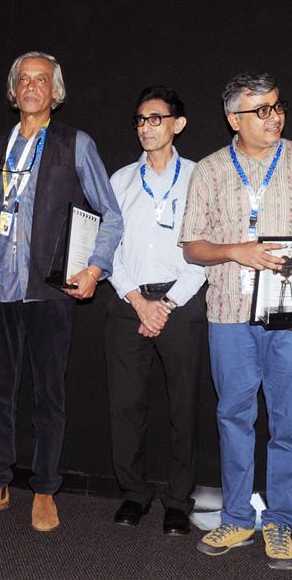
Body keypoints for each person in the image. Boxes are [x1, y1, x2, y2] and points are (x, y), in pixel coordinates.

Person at [180, 72, 292, 569]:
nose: (273, 117)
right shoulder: (209, 170)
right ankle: (236, 518)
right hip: (229, 315)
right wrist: (238, 250)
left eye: (277, 106)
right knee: (233, 418)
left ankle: (280, 523)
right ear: (234, 118)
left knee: (287, 423)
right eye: (261, 110)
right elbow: (192, 247)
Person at [0, 51, 124, 532]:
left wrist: (95, 268)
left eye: (41, 80)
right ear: (14, 92)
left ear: (55, 92)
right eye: (24, 80)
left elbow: (110, 214)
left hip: (50, 291)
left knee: (49, 394)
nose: (32, 87)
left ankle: (46, 488)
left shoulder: (76, 143)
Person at [105, 85, 208, 535]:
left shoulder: (200, 177)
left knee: (183, 406)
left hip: (180, 302)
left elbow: (205, 251)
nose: (147, 128)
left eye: (157, 119)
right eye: (141, 120)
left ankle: (178, 502)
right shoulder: (120, 179)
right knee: (126, 406)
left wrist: (164, 305)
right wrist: (137, 300)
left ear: (177, 125)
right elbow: (107, 249)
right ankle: (134, 493)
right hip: (128, 301)